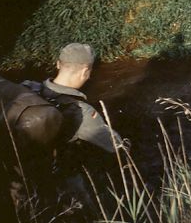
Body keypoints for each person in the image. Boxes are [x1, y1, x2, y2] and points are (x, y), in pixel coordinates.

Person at [22, 43, 125, 213]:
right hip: (58, 178)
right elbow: (116, 146)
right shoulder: (81, 111)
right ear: (86, 71)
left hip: (20, 171)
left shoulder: (27, 87)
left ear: (58, 64)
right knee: (88, 214)